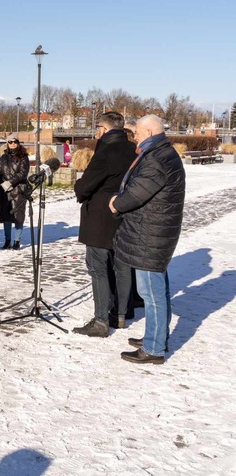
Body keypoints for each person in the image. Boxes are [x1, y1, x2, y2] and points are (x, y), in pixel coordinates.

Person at [109, 115, 185, 364]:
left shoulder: (157, 160)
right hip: (154, 231)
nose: (135, 138)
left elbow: (136, 194)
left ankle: (153, 349)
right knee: (157, 290)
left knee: (151, 293)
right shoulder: (162, 151)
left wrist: (116, 204)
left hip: (150, 234)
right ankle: (155, 337)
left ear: (150, 131)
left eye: (138, 134)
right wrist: (133, 127)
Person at [72, 112, 137, 337]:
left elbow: (85, 186)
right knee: (122, 265)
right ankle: (121, 313)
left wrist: (78, 186)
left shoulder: (105, 151)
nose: (96, 131)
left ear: (105, 129)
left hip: (100, 217)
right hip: (126, 213)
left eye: (98, 127)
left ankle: (101, 320)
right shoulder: (134, 150)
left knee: (98, 266)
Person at [0, 134, 29, 250]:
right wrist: (2, 182)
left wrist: (10, 182)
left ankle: (17, 241)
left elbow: (22, 173)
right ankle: (7, 240)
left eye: (15, 142)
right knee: (6, 216)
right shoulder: (3, 157)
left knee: (18, 216)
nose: (13, 144)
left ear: (18, 143)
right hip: (5, 191)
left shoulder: (24, 157)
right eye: (10, 142)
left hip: (18, 189)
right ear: (7, 143)